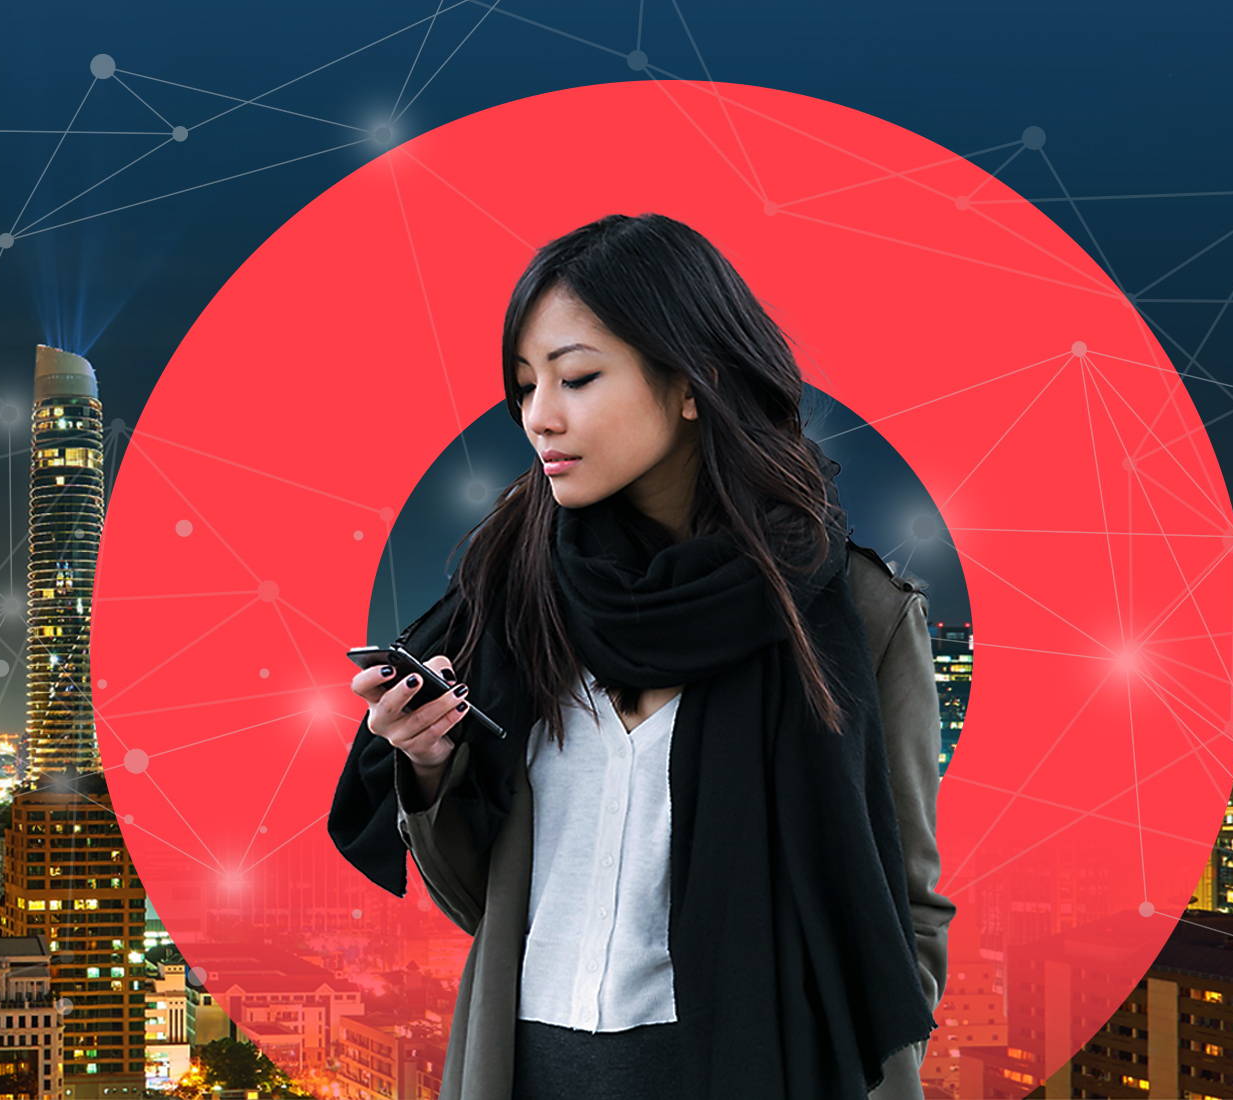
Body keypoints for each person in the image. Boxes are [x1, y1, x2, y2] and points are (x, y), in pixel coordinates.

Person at [327, 213, 953, 1100]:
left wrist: (870, 1071)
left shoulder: (854, 614)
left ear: (692, 382)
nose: (539, 416)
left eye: (577, 377)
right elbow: (489, 903)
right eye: (524, 384)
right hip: (524, 1072)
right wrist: (427, 765)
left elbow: (908, 908)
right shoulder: (512, 596)